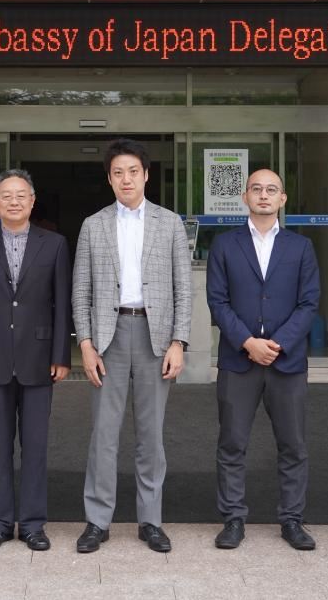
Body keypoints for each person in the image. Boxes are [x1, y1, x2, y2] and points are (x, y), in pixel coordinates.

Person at [72, 138, 191, 554]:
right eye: (118, 172)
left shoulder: (169, 222)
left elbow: (183, 288)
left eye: (133, 171)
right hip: (109, 336)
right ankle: (97, 520)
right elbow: (81, 290)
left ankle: (150, 520)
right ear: (109, 178)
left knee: (150, 434)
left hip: (155, 336)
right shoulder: (93, 224)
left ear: (146, 175)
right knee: (104, 433)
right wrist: (85, 345)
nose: (126, 178)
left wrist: (179, 342)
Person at [207, 168, 321, 552]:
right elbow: (217, 301)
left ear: (282, 199)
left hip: (286, 362)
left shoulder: (300, 247)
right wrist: (246, 342)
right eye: (256, 189)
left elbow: (309, 303)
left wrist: (277, 343)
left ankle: (292, 520)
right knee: (232, 443)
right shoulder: (224, 244)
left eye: (271, 190)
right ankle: (233, 519)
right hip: (238, 361)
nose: (263, 195)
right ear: (245, 197)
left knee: (293, 445)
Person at [0, 169, 72, 552]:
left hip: (39, 356)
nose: (13, 201)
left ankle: (33, 524)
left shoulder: (54, 244)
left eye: (20, 195)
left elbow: (62, 304)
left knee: (36, 446)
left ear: (32, 200)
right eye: (5, 195)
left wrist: (61, 354)